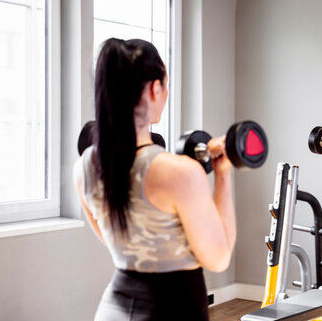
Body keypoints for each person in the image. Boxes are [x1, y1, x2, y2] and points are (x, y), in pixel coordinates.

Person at [73, 38, 235, 321]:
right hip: (172, 309)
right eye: (166, 84)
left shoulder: (85, 166)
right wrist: (222, 178)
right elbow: (218, 258)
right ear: (155, 88)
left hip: (114, 308)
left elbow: (116, 240)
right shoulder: (180, 172)